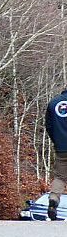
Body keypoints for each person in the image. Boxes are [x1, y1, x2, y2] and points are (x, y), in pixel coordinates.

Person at [45, 87, 67, 220]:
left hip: (61, 148)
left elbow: (48, 126)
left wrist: (57, 141)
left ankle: (53, 200)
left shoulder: (53, 103)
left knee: (60, 177)